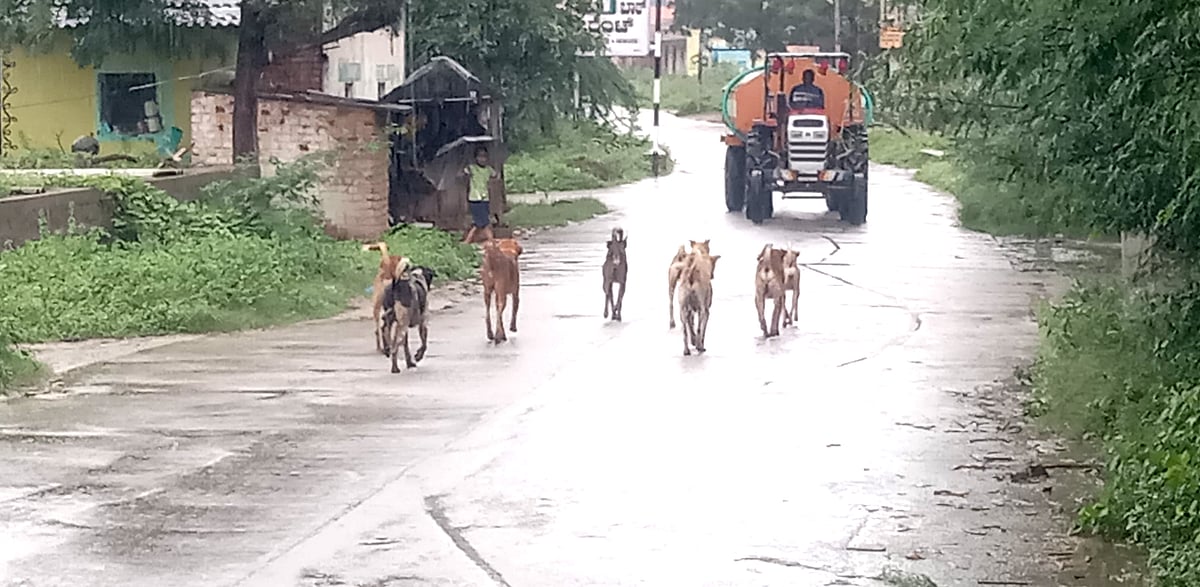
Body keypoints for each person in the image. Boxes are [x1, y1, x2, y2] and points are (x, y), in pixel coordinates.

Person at [463, 145, 499, 243]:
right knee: (484, 222)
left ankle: (468, 241)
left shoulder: (488, 169)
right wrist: (467, 170)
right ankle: (491, 240)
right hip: (474, 198)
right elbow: (464, 172)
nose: (482, 159)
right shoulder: (472, 168)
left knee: (479, 223)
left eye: (484, 156)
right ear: (476, 158)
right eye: (480, 156)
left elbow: (495, 175)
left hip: (485, 198)